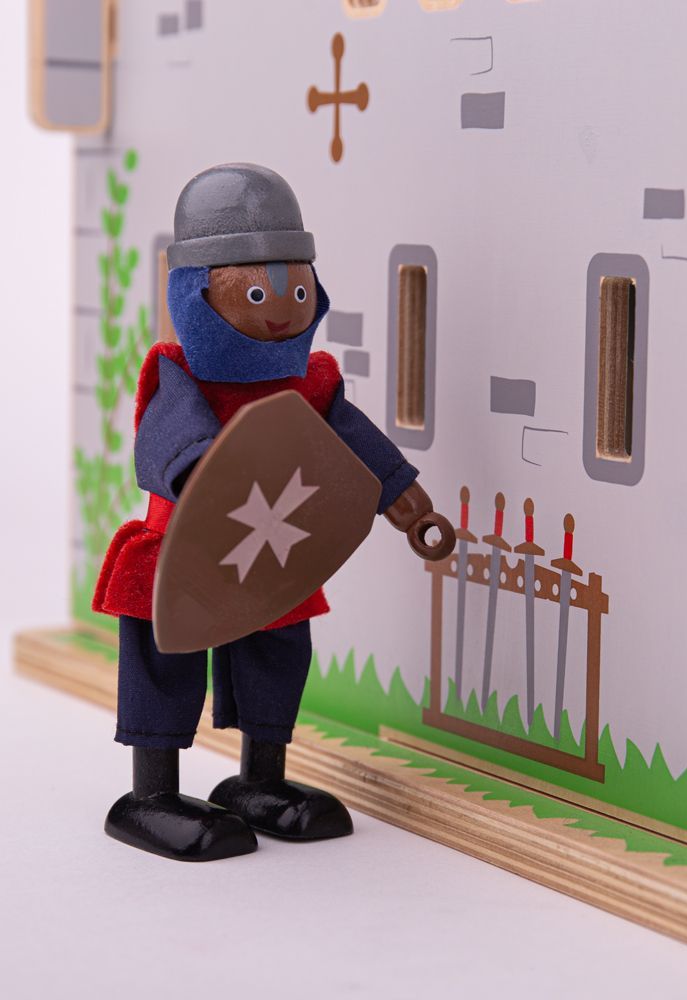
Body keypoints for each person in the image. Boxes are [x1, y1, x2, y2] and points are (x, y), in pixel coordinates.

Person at [93, 163, 454, 861]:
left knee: (278, 655)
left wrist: (405, 501)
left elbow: (351, 442)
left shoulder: (309, 384)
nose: (282, 308)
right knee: (168, 660)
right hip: (186, 554)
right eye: (256, 292)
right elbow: (168, 443)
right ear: (199, 292)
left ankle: (261, 780)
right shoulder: (177, 373)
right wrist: (205, 474)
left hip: (277, 548)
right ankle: (151, 795)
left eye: (296, 288)